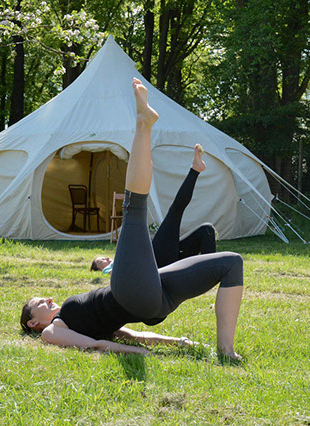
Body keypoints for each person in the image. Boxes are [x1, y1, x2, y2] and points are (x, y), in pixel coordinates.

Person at [21, 79, 245, 360]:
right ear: (33, 322)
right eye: (40, 303)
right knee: (133, 208)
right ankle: (143, 123)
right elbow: (97, 346)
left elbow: (130, 335)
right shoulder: (50, 332)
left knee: (232, 262)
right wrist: (143, 356)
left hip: (153, 297)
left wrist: (177, 342)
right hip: (134, 294)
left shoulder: (89, 323)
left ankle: (226, 350)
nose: (49, 299)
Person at [91, 144, 216, 273]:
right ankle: (195, 170)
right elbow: (112, 273)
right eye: (101, 261)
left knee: (206, 230)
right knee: (175, 212)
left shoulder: (119, 261)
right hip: (158, 260)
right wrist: (108, 268)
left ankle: (212, 270)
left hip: (170, 257)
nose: (106, 258)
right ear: (100, 269)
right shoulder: (113, 269)